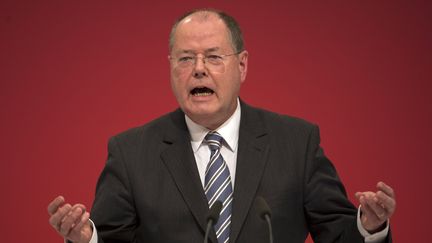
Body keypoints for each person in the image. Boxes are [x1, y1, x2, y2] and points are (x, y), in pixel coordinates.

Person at [48, 8, 396, 243]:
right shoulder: (130, 153)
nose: (199, 69)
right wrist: (86, 239)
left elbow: (338, 235)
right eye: (186, 58)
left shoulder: (296, 142)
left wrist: (370, 226)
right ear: (171, 68)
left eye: (214, 57)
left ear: (242, 66)